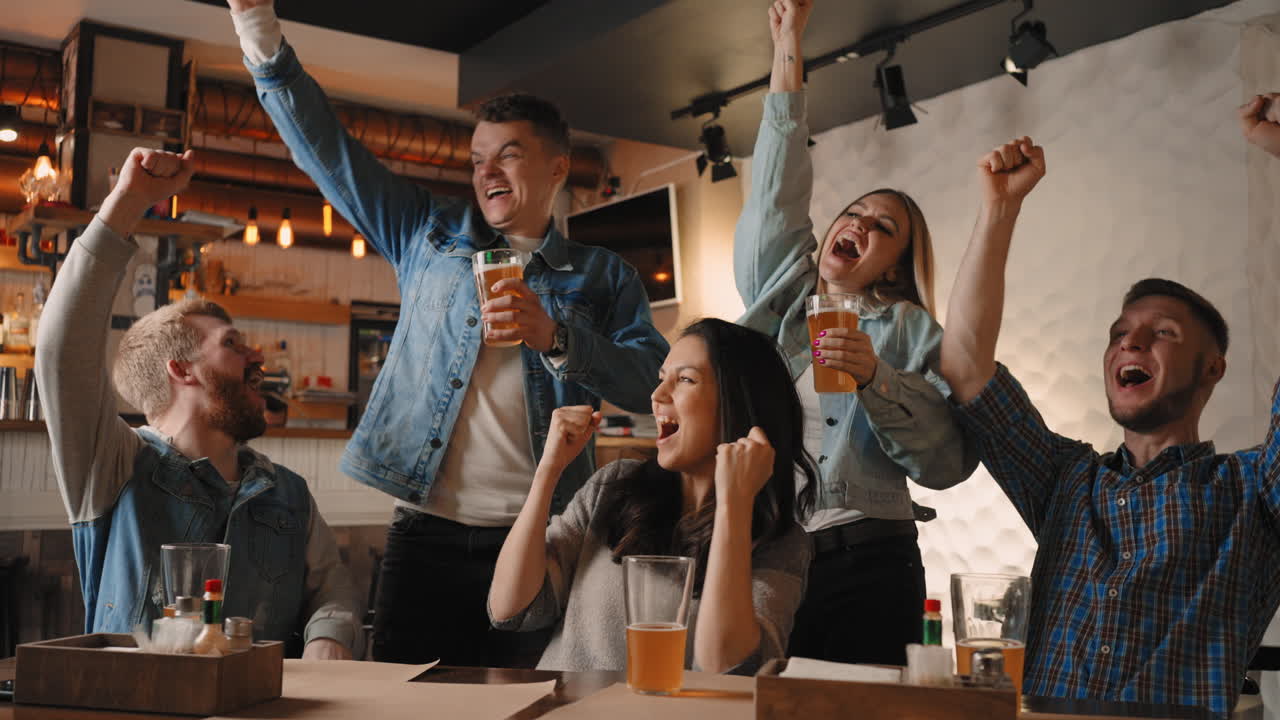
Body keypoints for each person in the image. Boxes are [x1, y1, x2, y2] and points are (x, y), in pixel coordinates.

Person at [223, 1, 668, 667]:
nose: (486, 172)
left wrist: (556, 337)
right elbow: (331, 155)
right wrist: (259, 31)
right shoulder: (427, 233)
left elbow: (650, 382)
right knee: (403, 703)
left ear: (557, 168)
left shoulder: (602, 275)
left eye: (508, 155)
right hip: (425, 533)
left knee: (530, 704)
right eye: (478, 159)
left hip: (541, 537)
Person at [939, 95, 1280, 717]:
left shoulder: (1251, 491)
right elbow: (965, 365)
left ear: (1213, 368)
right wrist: (999, 210)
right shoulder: (1067, 479)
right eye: (1119, 333)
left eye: (1162, 333)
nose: (1130, 341)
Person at [35, 147, 360, 659]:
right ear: (182, 370)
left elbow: (331, 588)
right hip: (135, 700)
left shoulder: (289, 493)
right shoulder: (114, 466)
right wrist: (127, 202)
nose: (257, 356)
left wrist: (329, 635)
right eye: (232, 344)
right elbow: (62, 352)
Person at [733, 0, 976, 665]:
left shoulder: (909, 329)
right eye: (856, 212)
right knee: (770, 707)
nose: (861, 225)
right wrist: (788, 46)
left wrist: (875, 376)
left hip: (869, 558)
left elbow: (946, 464)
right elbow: (776, 191)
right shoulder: (781, 295)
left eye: (883, 228)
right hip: (768, 555)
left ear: (893, 266)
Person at [488, 319, 814, 674]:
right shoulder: (612, 486)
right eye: (661, 378)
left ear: (739, 402)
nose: (657, 395)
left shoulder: (782, 543)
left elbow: (727, 667)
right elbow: (511, 608)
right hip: (564, 702)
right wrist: (548, 471)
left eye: (685, 380)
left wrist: (734, 505)